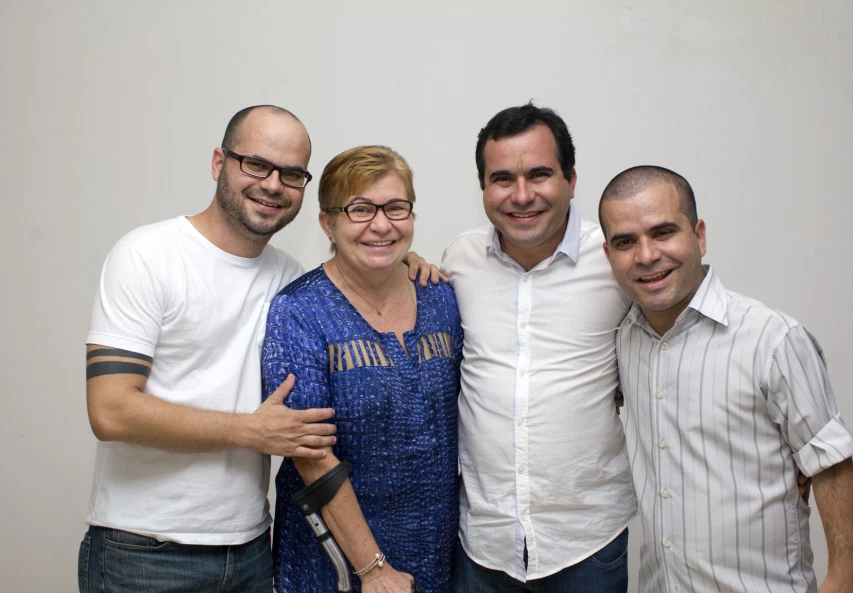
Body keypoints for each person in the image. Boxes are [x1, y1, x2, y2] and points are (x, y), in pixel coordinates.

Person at [80, 107, 434, 593]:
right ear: (218, 162)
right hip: (144, 548)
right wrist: (251, 431)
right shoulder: (148, 255)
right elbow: (110, 411)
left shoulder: (289, 280)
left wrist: (399, 259)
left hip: (250, 549)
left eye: (291, 174)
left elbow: (354, 271)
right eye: (256, 164)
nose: (272, 184)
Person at [598, 165, 853, 593]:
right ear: (608, 255)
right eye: (625, 242)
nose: (646, 255)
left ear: (699, 236)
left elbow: (830, 461)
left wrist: (844, 578)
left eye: (663, 232)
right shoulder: (620, 340)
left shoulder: (773, 339)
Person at [441, 103, 637, 592]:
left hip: (587, 540)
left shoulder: (615, 259)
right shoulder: (459, 259)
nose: (522, 195)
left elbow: (675, 346)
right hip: (483, 542)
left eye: (539, 174)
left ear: (571, 180)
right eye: (502, 178)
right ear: (483, 188)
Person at [261, 145, 462, 593]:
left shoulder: (441, 298)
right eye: (360, 209)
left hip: (438, 552)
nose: (382, 224)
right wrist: (373, 569)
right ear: (327, 223)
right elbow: (310, 453)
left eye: (395, 207)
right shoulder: (299, 312)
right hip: (334, 566)